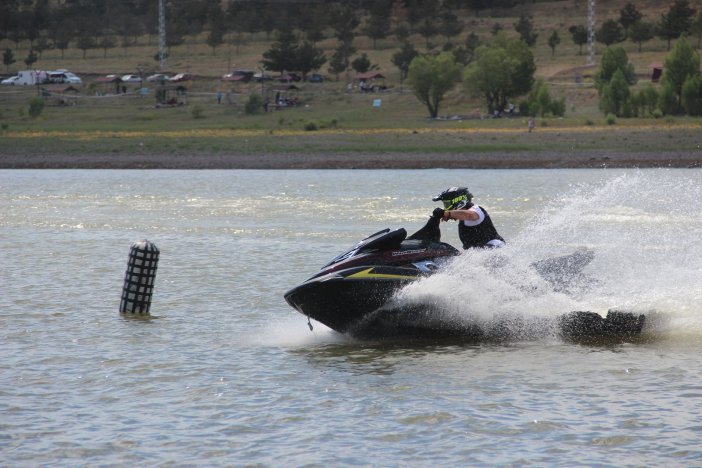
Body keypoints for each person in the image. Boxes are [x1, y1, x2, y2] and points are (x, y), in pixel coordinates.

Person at [432, 187, 506, 249]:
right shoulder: (462, 219)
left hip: (496, 247)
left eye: (447, 204)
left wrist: (447, 213)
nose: (446, 208)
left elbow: (469, 215)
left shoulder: (476, 209)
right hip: (481, 253)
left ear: (459, 201)